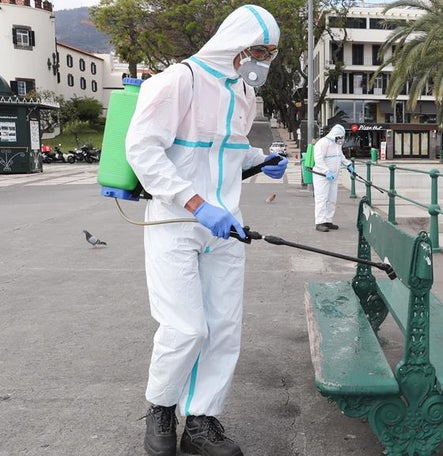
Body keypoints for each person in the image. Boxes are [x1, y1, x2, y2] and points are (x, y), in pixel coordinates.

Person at [124, 5, 286, 456]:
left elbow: (228, 152)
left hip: (226, 227)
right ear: (234, 44)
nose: (263, 61)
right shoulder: (180, 81)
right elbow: (142, 150)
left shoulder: (243, 94)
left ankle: (201, 422)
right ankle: (160, 407)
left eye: (269, 53)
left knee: (223, 328)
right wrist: (196, 204)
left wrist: (263, 160)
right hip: (177, 221)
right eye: (258, 50)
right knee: (185, 327)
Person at [311, 124, 354, 232]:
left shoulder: (337, 144)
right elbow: (319, 160)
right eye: (340, 137)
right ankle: (320, 222)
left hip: (333, 176)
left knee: (332, 199)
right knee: (322, 199)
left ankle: (328, 220)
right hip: (322, 176)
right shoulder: (322, 143)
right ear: (335, 134)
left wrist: (348, 164)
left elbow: (340, 156)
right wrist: (326, 172)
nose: (341, 139)